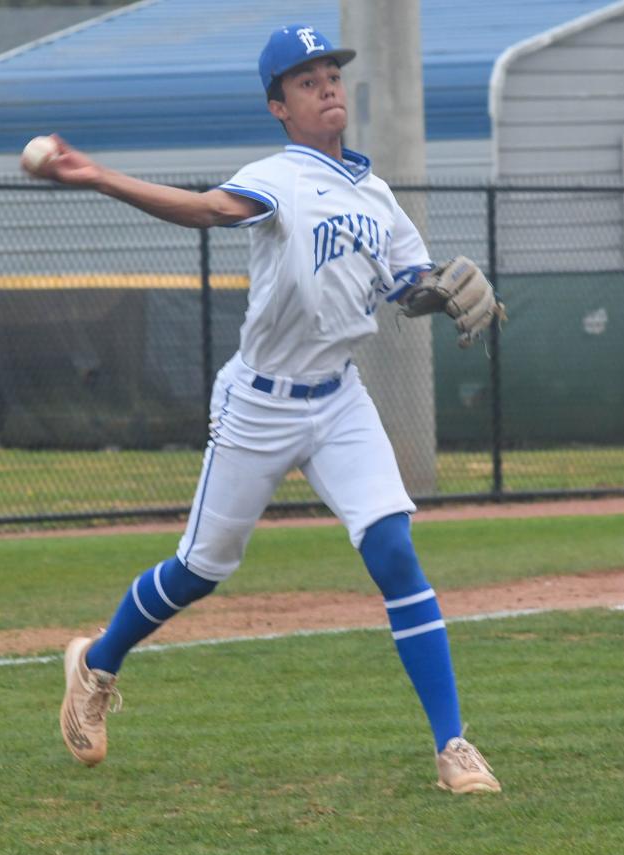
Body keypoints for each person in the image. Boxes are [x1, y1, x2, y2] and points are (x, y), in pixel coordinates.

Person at [26, 24, 501, 794]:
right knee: (201, 569)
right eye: (308, 81)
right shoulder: (276, 177)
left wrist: (437, 296)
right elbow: (207, 210)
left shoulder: (376, 195)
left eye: (332, 76)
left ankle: (454, 746)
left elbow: (410, 281)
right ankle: (97, 663)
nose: (328, 89)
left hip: (340, 398)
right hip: (260, 403)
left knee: (394, 552)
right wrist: (99, 176)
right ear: (279, 105)